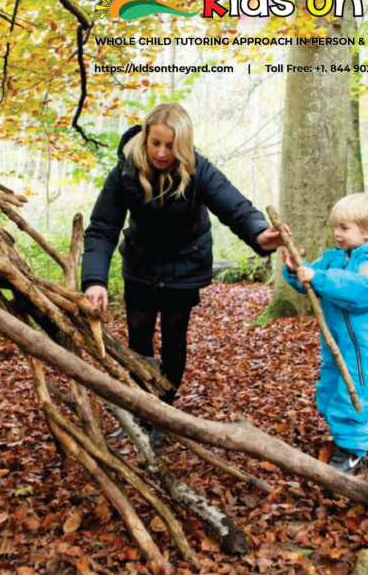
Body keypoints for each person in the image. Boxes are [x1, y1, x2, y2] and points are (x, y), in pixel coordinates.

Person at [82, 103, 284, 445]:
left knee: (174, 335)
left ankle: (165, 413)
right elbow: (102, 228)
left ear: (184, 144)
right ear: (145, 139)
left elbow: (235, 207)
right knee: (138, 335)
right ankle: (142, 411)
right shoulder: (125, 172)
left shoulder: (199, 170)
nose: (161, 153)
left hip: (186, 263)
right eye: (155, 143)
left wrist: (259, 234)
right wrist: (95, 280)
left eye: (170, 145)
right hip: (141, 263)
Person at [281, 193, 368, 474]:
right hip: (336, 342)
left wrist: (318, 277)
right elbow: (310, 281)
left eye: (344, 228)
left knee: (353, 391)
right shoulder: (334, 259)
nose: (337, 233)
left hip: (363, 346)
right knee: (330, 388)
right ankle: (341, 433)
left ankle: (353, 450)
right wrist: (295, 270)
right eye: (336, 226)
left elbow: (362, 290)